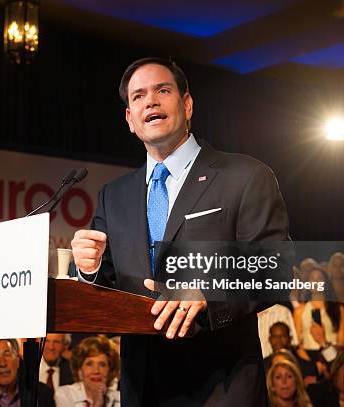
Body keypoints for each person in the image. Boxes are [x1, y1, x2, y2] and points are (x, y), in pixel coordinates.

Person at [71, 57, 290, 406]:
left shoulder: (245, 175)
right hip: (142, 389)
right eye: (138, 96)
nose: (151, 101)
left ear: (187, 105)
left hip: (221, 387)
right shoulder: (114, 195)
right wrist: (88, 267)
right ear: (130, 119)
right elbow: (107, 282)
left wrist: (209, 289)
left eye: (163, 90)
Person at [293, 267, 344, 364]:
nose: (315, 281)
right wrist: (313, 366)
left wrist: (325, 344)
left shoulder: (338, 309)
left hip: (334, 356)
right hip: (308, 357)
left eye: (319, 278)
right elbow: (297, 344)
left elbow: (342, 343)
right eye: (312, 278)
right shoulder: (299, 311)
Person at [54, 336, 120, 407]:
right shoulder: (65, 394)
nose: (96, 371)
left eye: (102, 365)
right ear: (79, 370)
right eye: (89, 364)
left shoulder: (120, 399)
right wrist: (97, 404)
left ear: (110, 371)